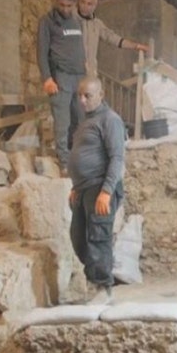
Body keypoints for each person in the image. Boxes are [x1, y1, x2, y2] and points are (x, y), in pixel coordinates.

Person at [37, 0, 149, 170]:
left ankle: (89, 154)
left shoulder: (92, 24)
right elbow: (43, 51)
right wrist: (47, 77)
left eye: (90, 4)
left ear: (95, 5)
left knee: (85, 118)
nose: (85, 7)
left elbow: (113, 38)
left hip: (85, 78)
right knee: (63, 121)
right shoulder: (62, 20)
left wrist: (136, 46)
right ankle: (66, 160)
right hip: (64, 76)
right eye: (82, 3)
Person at [68, 77, 126, 304]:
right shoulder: (86, 121)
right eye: (79, 95)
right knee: (78, 238)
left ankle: (103, 289)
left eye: (87, 96)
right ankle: (95, 282)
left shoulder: (110, 120)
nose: (82, 100)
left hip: (100, 187)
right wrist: (76, 186)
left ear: (101, 95)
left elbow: (116, 157)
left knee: (97, 238)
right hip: (84, 189)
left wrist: (107, 191)